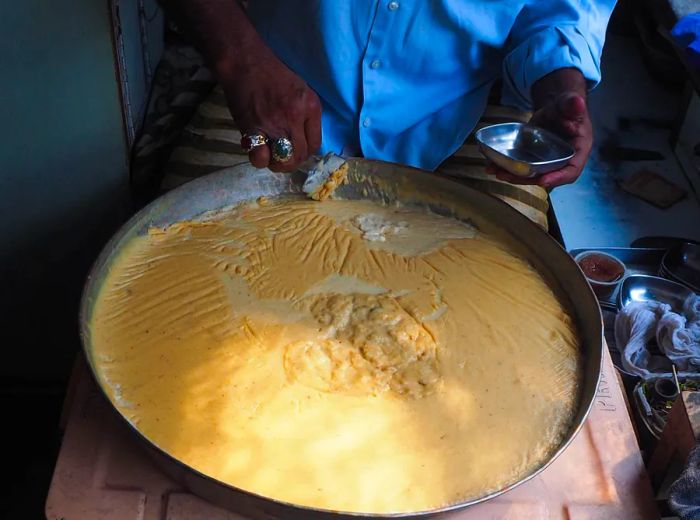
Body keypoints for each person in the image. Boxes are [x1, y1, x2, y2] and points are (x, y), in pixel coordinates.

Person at [166, 0, 615, 188]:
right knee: (182, 283)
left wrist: (560, 85)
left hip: (454, 117)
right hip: (269, 88)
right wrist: (241, 62)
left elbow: (559, 10)